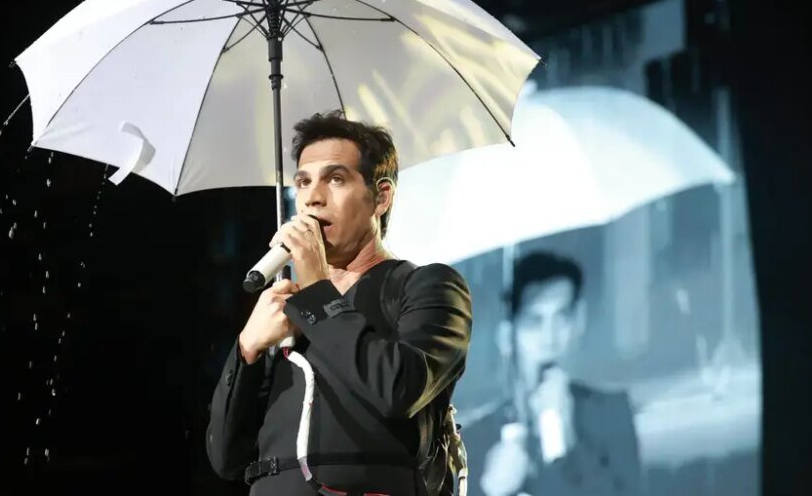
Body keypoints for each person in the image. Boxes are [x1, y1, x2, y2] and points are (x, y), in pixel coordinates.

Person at [206, 110, 473, 496]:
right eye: (303, 181)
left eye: (335, 179)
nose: (313, 197)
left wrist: (318, 293)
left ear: (381, 197)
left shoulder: (428, 287)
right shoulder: (286, 309)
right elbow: (226, 457)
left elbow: (400, 389)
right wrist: (247, 349)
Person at [466, 251, 643, 496]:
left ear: (578, 322)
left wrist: (568, 445)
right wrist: (489, 491)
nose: (550, 339)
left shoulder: (612, 415)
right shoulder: (473, 442)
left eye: (562, 318)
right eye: (534, 322)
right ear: (507, 337)